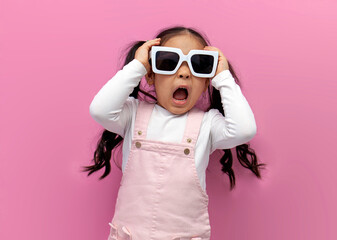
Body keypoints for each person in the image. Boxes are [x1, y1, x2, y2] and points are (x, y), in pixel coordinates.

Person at [84, 26, 265, 240]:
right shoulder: (132, 114)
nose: (184, 72)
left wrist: (223, 77)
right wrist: (138, 66)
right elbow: (100, 110)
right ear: (151, 76)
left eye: (199, 66)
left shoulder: (207, 124)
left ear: (207, 81)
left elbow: (244, 130)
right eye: (169, 62)